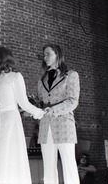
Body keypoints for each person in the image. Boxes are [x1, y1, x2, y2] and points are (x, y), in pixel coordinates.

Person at [0, 46, 45, 184]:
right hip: (10, 120)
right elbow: (24, 103)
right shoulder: (15, 76)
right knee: (11, 156)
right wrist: (40, 113)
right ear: (9, 59)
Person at [37, 43, 80, 184]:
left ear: (58, 55)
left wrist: (54, 110)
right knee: (48, 167)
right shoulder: (41, 79)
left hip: (64, 125)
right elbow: (41, 101)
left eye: (48, 54)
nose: (45, 57)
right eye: (44, 55)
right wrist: (32, 108)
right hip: (45, 126)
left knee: (69, 165)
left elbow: (73, 101)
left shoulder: (71, 75)